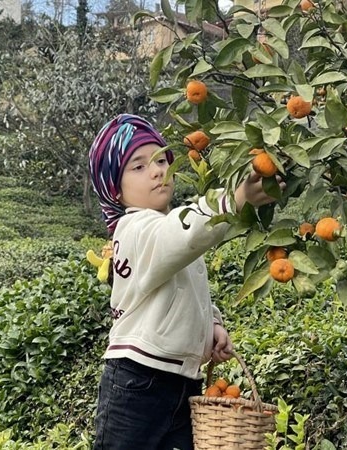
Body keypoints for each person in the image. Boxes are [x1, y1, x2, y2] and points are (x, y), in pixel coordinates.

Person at [88, 114, 284, 450]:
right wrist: (233, 200)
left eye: (162, 160)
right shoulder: (134, 229)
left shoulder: (163, 229)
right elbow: (184, 233)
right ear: (114, 189)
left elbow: (186, 291)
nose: (158, 170)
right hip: (139, 379)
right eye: (138, 166)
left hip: (182, 382)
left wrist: (212, 325)